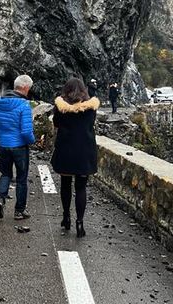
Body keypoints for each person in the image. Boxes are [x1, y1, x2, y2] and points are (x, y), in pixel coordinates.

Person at [50, 78, 99, 237]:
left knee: (65, 184)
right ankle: (80, 223)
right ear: (83, 89)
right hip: (85, 150)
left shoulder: (60, 106)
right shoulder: (91, 106)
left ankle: (66, 217)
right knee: (81, 187)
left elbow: (56, 123)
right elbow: (91, 123)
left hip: (66, 149)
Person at [0, 75, 35, 220]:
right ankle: (19, 211)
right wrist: (32, 141)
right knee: (21, 178)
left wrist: (1, 137)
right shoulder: (24, 105)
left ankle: (0, 199)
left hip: (3, 145)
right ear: (25, 88)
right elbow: (26, 132)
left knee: (5, 173)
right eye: (29, 89)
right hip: (20, 147)